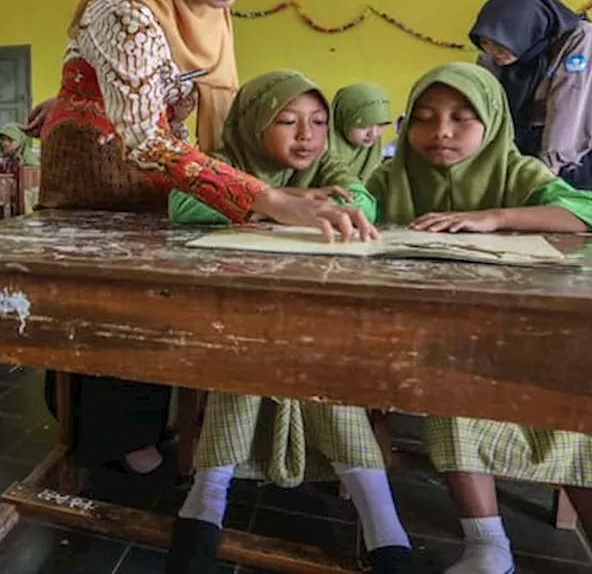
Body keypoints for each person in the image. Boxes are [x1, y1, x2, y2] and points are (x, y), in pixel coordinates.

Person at [30, 0, 367, 479]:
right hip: (96, 179)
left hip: (158, 177)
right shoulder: (126, 8)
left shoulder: (208, 11)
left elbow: (188, 117)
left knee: (152, 305)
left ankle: (135, 427)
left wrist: (276, 187)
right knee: (104, 311)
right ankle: (98, 439)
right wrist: (265, 197)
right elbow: (146, 139)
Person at [366, 62, 592, 574]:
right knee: (449, 394)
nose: (441, 132)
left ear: (493, 123)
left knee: (584, 416)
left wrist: (494, 217)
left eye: (461, 118)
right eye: (424, 118)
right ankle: (487, 545)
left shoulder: (517, 173)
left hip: (530, 339)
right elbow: (359, 203)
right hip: (441, 343)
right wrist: (339, 203)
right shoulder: (391, 176)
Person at [167, 70, 414, 574]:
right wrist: (278, 204)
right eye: (287, 120)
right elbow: (182, 202)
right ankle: (211, 495)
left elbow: (361, 200)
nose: (308, 135)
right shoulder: (224, 164)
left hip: (316, 322)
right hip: (232, 317)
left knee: (307, 362)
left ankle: (207, 499)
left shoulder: (327, 162)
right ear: (254, 122)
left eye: (319, 122)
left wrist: (305, 202)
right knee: (258, 357)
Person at [470, 0, 592, 227]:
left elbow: (571, 105)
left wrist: (546, 170)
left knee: (581, 232)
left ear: (524, 30)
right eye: (486, 44)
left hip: (576, 150)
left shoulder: (579, 36)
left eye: (499, 46)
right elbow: (487, 103)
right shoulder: (494, 54)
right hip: (520, 145)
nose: (493, 53)